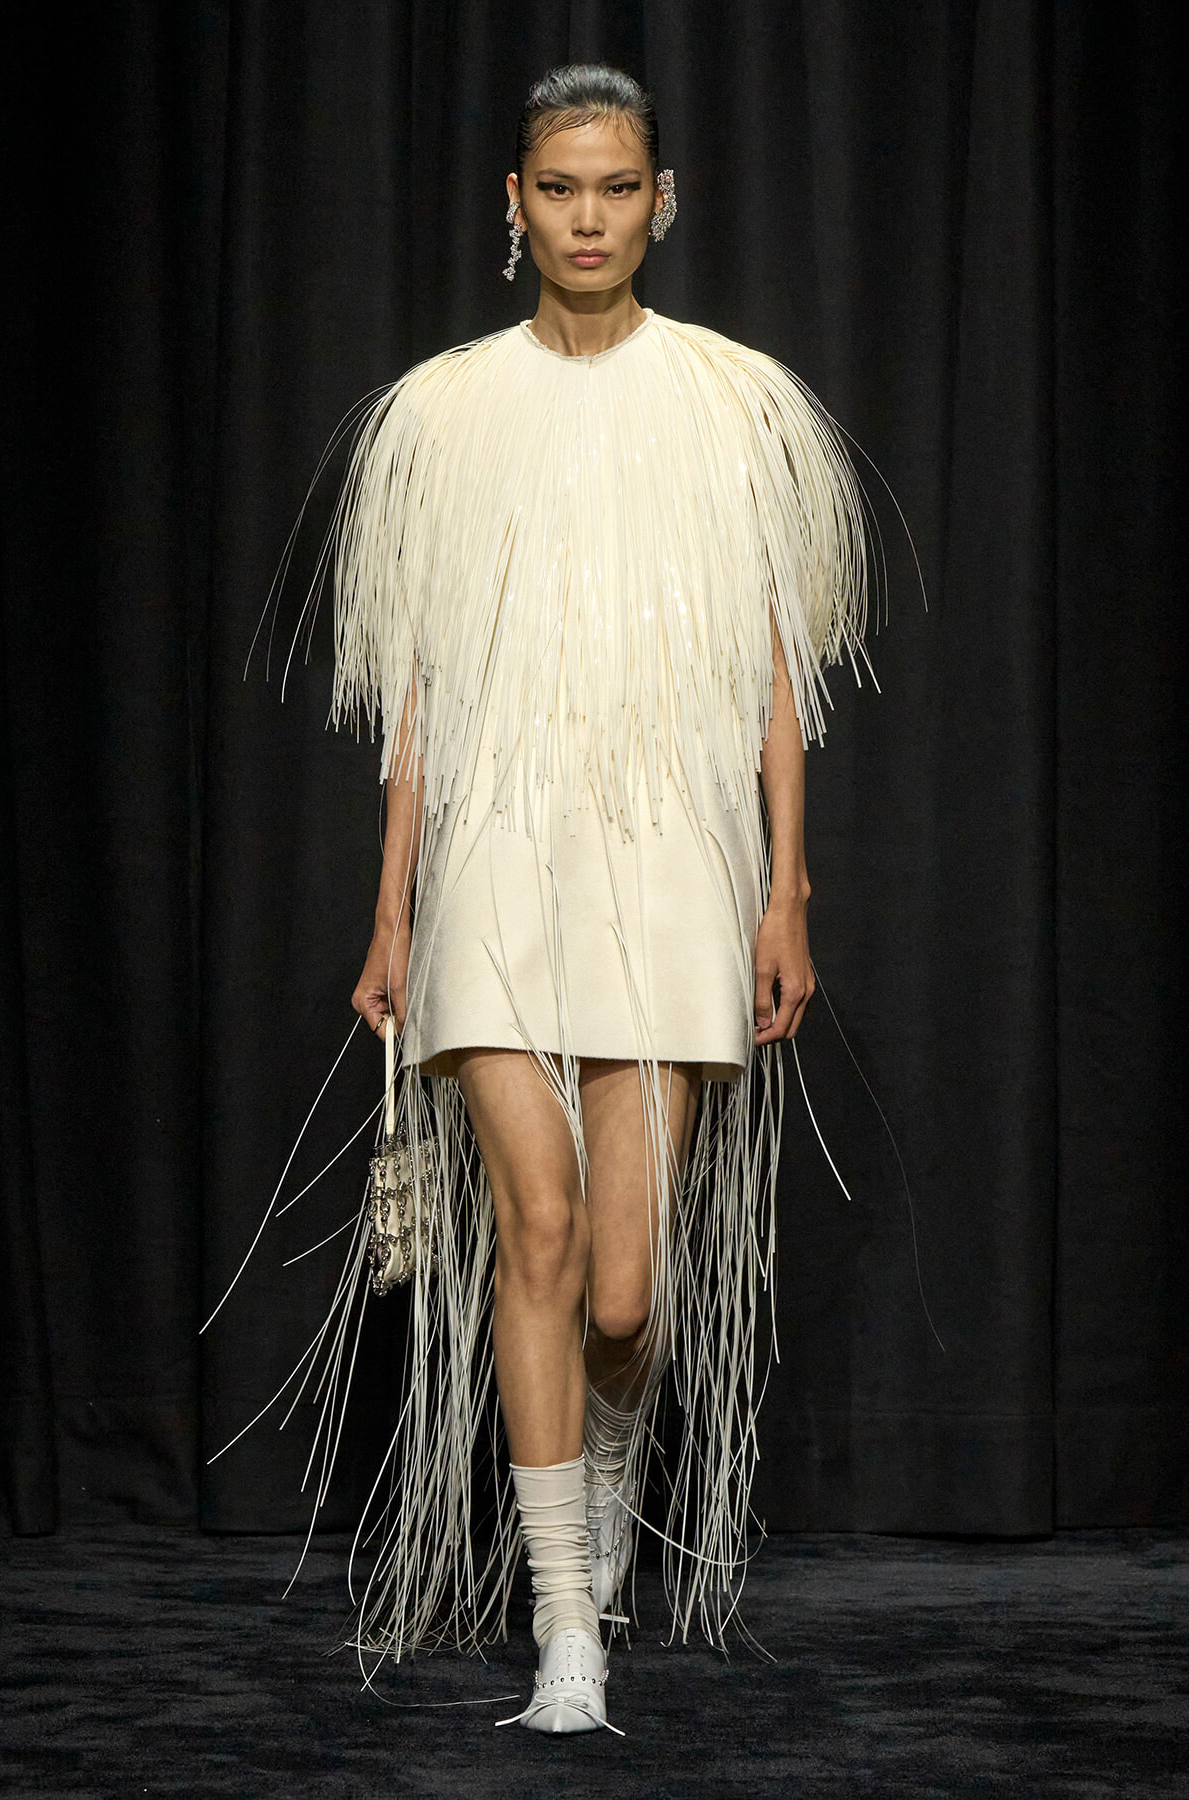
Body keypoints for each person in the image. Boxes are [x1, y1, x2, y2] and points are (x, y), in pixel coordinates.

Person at [319, 63, 868, 1735]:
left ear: (662, 201)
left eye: (616, 188)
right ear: (515, 204)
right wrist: (393, 909)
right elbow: (416, 692)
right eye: (558, 188)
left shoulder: (734, 404)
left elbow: (775, 675)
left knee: (627, 1289)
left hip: (672, 859)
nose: (586, 217)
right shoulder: (442, 415)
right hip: (495, 854)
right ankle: (569, 1618)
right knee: (536, 1235)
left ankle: (610, 1485)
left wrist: (786, 889)